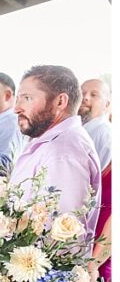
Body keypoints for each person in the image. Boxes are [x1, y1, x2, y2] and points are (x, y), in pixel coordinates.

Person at [10, 65, 102, 241]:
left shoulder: (64, 151)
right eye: (18, 99)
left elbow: (63, 239)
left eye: (27, 98)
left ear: (60, 102)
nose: (17, 108)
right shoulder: (49, 142)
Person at [80, 78, 112, 169]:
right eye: (81, 93)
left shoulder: (106, 134)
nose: (85, 97)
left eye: (94, 95)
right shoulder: (74, 129)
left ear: (106, 104)